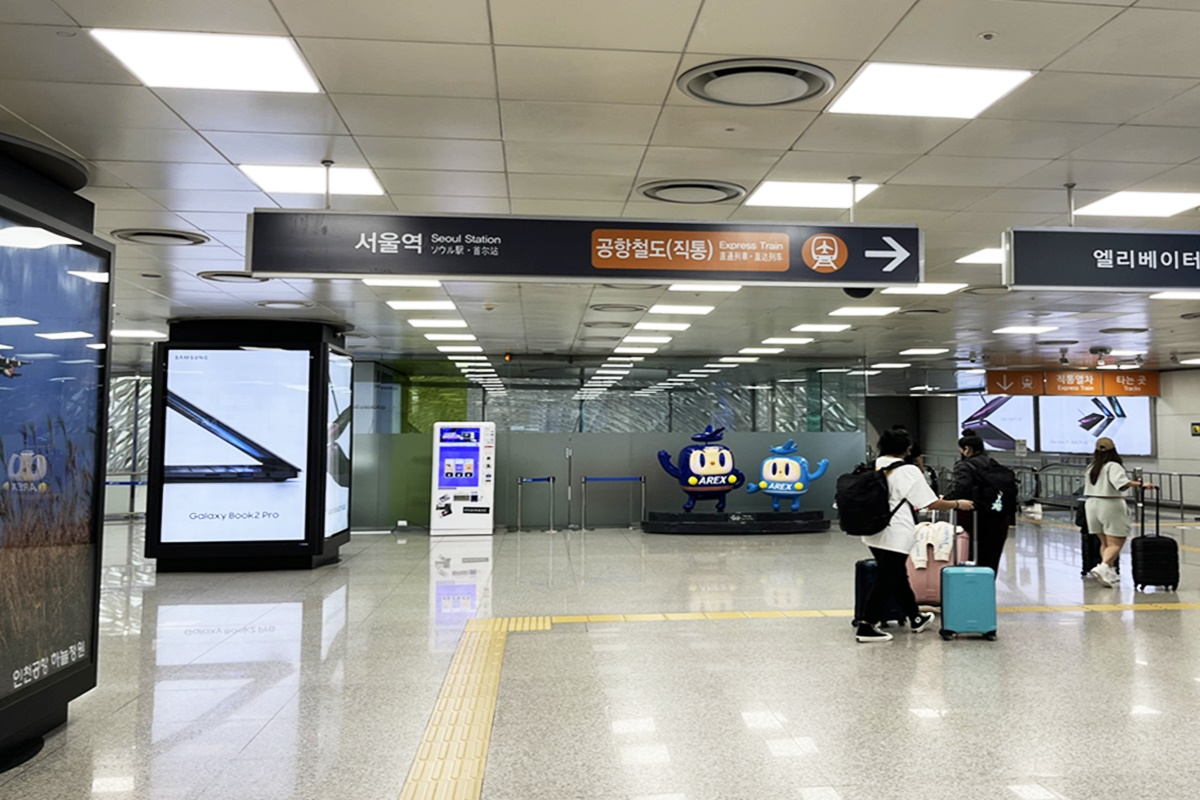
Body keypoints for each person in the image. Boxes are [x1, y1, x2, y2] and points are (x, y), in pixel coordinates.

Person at [857, 429, 974, 643]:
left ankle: (915, 617)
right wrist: (958, 504)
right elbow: (930, 503)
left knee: (896, 574)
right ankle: (866, 625)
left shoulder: (872, 466)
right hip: (895, 533)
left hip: (872, 530)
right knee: (887, 578)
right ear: (907, 449)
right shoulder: (908, 470)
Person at [1083, 437, 1153, 587]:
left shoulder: (1092, 466)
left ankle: (1110, 571)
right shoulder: (1113, 466)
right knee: (1117, 541)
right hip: (1110, 503)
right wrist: (1141, 484)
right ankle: (1103, 567)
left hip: (1091, 504)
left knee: (1105, 542)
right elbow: (1121, 483)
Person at [944, 434, 1009, 575]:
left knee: (970, 554)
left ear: (967, 449)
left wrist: (945, 499)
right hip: (999, 516)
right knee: (991, 556)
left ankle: (971, 583)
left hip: (975, 517)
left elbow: (961, 488)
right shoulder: (994, 463)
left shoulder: (964, 465)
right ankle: (987, 583)